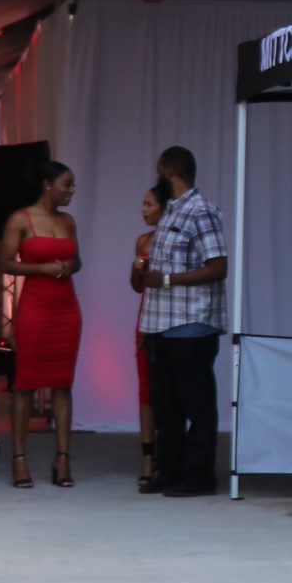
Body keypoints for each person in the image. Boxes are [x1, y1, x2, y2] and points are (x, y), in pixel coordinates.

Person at [137, 145, 227, 497]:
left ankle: (199, 476)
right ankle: (169, 471)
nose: (156, 176)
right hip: (160, 324)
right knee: (166, 405)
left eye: (158, 170)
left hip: (191, 325)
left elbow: (218, 267)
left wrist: (168, 279)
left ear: (169, 171)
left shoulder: (201, 211)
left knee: (197, 405)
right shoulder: (171, 211)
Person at [0, 163, 83, 489]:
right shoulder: (21, 219)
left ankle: (63, 459)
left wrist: (70, 265)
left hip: (66, 309)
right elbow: (3, 262)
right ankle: (19, 459)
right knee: (25, 385)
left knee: (63, 384)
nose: (72, 191)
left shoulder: (68, 221)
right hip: (35, 308)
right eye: (67, 184)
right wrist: (42, 268)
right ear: (48, 185)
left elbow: (78, 260)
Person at [132, 179, 170, 491]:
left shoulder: (174, 239)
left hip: (172, 319)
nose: (143, 210)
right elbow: (136, 286)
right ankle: (148, 457)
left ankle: (170, 454)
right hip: (146, 318)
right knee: (146, 391)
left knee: (168, 391)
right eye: (143, 204)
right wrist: (137, 270)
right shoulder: (143, 240)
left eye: (149, 204)